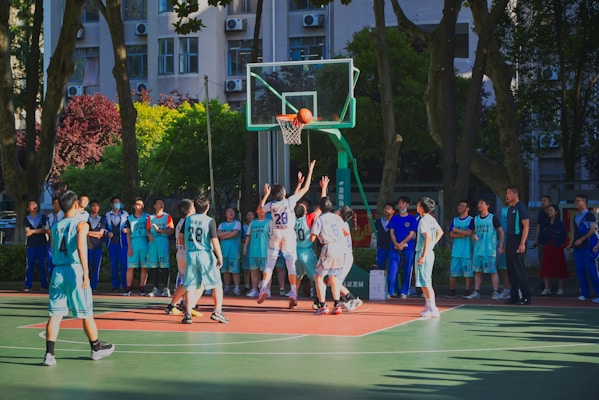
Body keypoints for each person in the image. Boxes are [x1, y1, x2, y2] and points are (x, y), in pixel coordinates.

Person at [43, 190, 114, 366]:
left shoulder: (55, 226)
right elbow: (82, 247)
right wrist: (86, 273)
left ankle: (49, 355)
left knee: (55, 315)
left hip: (57, 271)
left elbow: (53, 247)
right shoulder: (81, 224)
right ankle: (96, 348)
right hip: (74, 270)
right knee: (85, 313)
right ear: (76, 205)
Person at [256, 160, 316, 308]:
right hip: (288, 234)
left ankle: (264, 288)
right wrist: (310, 172)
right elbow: (306, 189)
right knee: (291, 264)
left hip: (276, 233)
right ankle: (294, 292)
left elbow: (259, 210)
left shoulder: (272, 204)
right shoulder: (289, 202)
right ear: (283, 193)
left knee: (270, 263)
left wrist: (265, 195)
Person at [180, 195, 229, 324]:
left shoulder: (188, 220)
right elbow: (214, 239)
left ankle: (188, 314)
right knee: (216, 284)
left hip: (191, 254)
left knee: (190, 285)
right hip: (205, 254)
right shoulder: (209, 221)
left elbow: (180, 236)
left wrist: (187, 246)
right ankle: (217, 311)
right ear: (207, 208)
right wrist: (220, 256)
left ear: (195, 207)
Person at [310, 196, 351, 315]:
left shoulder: (320, 219)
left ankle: (322, 306)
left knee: (318, 277)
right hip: (339, 247)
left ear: (320, 207)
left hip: (329, 247)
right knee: (333, 278)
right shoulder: (337, 218)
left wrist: (321, 236)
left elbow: (312, 238)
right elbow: (346, 232)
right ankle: (337, 305)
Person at [165, 199, 202, 317]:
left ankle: (184, 305)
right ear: (190, 209)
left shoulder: (182, 221)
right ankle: (179, 305)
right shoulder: (189, 221)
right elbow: (182, 238)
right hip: (187, 254)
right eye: (193, 206)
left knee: (188, 281)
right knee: (195, 282)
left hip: (182, 253)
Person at [466, 199, 504, 300]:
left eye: (481, 203)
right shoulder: (475, 219)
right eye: (478, 203)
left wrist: (500, 246)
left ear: (487, 205)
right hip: (478, 250)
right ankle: (476, 291)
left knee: (492, 271)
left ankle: (495, 292)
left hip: (489, 250)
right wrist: (473, 235)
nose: (479, 205)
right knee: (477, 271)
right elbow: (472, 232)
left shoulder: (493, 218)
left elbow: (501, 231)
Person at [414, 196, 444, 318]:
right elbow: (440, 232)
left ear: (421, 207)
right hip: (428, 252)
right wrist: (432, 245)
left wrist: (423, 255)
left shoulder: (423, 221)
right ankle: (428, 305)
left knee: (425, 281)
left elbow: (427, 238)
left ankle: (433, 307)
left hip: (423, 252)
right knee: (425, 280)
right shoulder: (431, 219)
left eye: (418, 204)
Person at [566, 194, 599, 302]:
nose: (575, 202)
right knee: (580, 270)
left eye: (578, 201)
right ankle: (585, 293)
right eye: (575, 200)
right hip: (578, 249)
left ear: (584, 203)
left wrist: (582, 239)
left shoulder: (590, 215)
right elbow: (573, 232)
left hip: (588, 247)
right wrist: (571, 244)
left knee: (592, 271)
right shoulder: (575, 217)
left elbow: (592, 230)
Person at [504, 186, 531, 305]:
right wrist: (506, 245)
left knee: (519, 270)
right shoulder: (510, 209)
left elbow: (526, 225)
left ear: (515, 194)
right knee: (511, 270)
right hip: (510, 240)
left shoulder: (521, 207)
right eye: (506, 193)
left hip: (518, 239)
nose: (507, 195)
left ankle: (526, 297)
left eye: (509, 193)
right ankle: (514, 296)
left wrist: (522, 243)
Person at [388, 196, 417, 299]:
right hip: (394, 247)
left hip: (408, 247)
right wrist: (396, 243)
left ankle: (405, 291)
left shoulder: (412, 219)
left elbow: (411, 234)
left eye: (403, 203)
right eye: (399, 203)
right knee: (392, 269)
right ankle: (391, 291)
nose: (401, 205)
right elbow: (391, 232)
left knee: (407, 269)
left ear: (407, 205)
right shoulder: (394, 218)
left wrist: (402, 243)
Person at [539, 204, 569, 295]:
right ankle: (546, 288)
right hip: (548, 247)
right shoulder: (545, 224)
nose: (549, 212)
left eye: (551, 210)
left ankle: (560, 288)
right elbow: (542, 234)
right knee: (546, 267)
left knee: (559, 267)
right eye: (548, 210)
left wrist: (561, 243)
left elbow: (564, 235)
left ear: (556, 212)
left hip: (557, 247)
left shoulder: (560, 224)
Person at [147, 198, 174, 297]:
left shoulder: (168, 217)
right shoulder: (151, 217)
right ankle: (155, 288)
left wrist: (160, 231)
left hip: (163, 242)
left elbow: (171, 230)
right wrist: (149, 234)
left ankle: (166, 288)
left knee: (165, 266)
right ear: (154, 206)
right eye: (159, 203)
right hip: (153, 243)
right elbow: (147, 230)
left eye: (162, 203)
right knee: (154, 266)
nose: (161, 204)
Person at [242, 208, 273, 298]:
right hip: (253, 251)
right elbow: (248, 236)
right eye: (260, 210)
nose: (262, 212)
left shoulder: (269, 222)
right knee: (254, 271)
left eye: (264, 210)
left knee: (266, 272)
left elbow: (273, 236)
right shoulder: (253, 222)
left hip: (265, 251)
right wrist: (245, 247)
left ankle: (267, 290)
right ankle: (254, 289)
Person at [446, 201, 474, 299]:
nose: (460, 207)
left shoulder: (471, 220)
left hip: (467, 251)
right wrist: (463, 234)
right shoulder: (455, 220)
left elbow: (470, 232)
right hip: (456, 250)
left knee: (468, 272)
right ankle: (452, 290)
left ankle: (467, 290)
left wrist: (457, 231)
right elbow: (451, 234)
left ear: (467, 208)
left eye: (463, 206)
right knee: (453, 272)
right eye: (459, 205)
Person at [124, 198, 149, 296]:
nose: (140, 207)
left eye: (142, 205)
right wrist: (129, 247)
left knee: (144, 267)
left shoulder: (147, 217)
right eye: (138, 204)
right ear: (134, 206)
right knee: (130, 266)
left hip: (144, 241)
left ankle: (142, 287)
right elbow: (128, 234)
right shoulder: (129, 219)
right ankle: (128, 288)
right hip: (134, 242)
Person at [24, 200, 49, 292]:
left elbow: (44, 230)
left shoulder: (43, 217)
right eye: (31, 205)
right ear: (28, 208)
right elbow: (27, 232)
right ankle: (28, 285)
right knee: (30, 265)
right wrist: (33, 231)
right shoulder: (26, 219)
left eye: (35, 204)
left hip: (42, 245)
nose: (34, 206)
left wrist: (33, 231)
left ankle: (44, 285)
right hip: (31, 246)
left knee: (43, 265)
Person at [105, 196, 129, 293]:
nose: (117, 204)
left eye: (119, 202)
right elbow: (103, 228)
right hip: (112, 243)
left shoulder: (125, 215)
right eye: (115, 202)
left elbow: (131, 227)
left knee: (124, 265)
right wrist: (107, 233)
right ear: (111, 204)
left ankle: (125, 285)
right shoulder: (107, 215)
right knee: (113, 265)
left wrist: (127, 230)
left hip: (122, 243)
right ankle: (115, 285)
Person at [218, 207, 242, 296]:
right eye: (229, 211)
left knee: (235, 270)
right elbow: (218, 234)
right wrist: (229, 234)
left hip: (234, 250)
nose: (231, 213)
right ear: (225, 214)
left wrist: (224, 236)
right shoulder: (221, 224)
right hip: (224, 250)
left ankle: (236, 287)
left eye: (232, 211)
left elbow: (234, 234)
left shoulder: (237, 223)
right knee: (225, 270)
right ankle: (227, 286)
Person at [87, 200, 107, 292]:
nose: (95, 207)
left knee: (96, 266)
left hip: (98, 246)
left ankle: (94, 285)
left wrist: (89, 233)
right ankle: (86, 284)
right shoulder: (86, 218)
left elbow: (101, 233)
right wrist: (89, 242)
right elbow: (84, 232)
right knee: (86, 266)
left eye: (97, 206)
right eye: (93, 206)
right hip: (88, 246)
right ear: (90, 207)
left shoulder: (102, 219)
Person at [372, 202, 395, 270]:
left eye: (388, 208)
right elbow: (372, 230)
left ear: (393, 211)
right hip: (381, 247)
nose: (386, 210)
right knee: (380, 266)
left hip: (393, 247)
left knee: (392, 267)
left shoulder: (396, 221)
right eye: (385, 208)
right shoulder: (379, 221)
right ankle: (383, 280)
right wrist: (368, 220)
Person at [46, 197, 64, 279]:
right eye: (56, 203)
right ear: (53, 204)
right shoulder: (49, 216)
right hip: (52, 242)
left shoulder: (64, 215)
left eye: (59, 203)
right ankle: (51, 280)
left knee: (61, 262)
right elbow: (47, 229)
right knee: (51, 261)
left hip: (62, 242)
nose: (58, 205)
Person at [241, 211, 255, 294]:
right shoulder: (244, 227)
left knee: (255, 268)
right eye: (248, 215)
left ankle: (256, 286)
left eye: (251, 215)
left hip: (255, 248)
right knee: (246, 269)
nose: (250, 216)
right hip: (247, 248)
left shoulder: (256, 225)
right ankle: (246, 286)